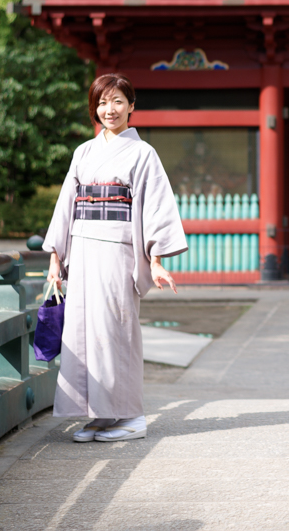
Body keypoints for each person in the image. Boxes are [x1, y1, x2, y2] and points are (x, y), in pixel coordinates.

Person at [43, 74, 187, 443]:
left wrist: (155, 259)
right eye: (103, 102)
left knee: (115, 333)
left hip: (118, 252)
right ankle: (100, 415)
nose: (110, 109)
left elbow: (155, 207)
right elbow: (67, 206)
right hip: (83, 250)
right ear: (95, 108)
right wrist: (56, 257)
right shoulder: (83, 153)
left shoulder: (142, 154)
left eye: (118, 101)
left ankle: (132, 416)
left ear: (132, 106)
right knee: (83, 331)